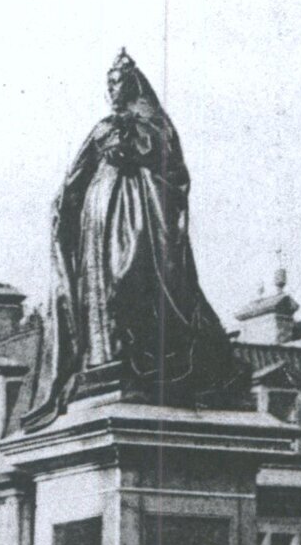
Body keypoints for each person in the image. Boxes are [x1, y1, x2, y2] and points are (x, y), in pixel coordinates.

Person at [24, 50, 244, 427]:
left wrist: (135, 151)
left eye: (120, 82)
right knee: (99, 291)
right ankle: (105, 358)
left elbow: (173, 172)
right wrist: (62, 206)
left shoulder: (154, 125)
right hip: (98, 220)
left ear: (134, 85)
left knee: (131, 280)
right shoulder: (102, 127)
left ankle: (142, 361)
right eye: (109, 83)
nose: (114, 89)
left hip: (139, 216)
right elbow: (75, 177)